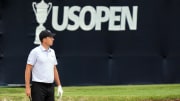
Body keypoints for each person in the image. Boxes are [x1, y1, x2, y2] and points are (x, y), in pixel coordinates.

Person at [25, 30, 63, 101]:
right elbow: (28, 68)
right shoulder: (35, 52)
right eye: (50, 37)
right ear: (44, 39)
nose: (53, 39)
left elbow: (54, 68)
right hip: (38, 87)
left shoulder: (52, 52)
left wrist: (59, 85)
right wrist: (27, 87)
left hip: (50, 87)